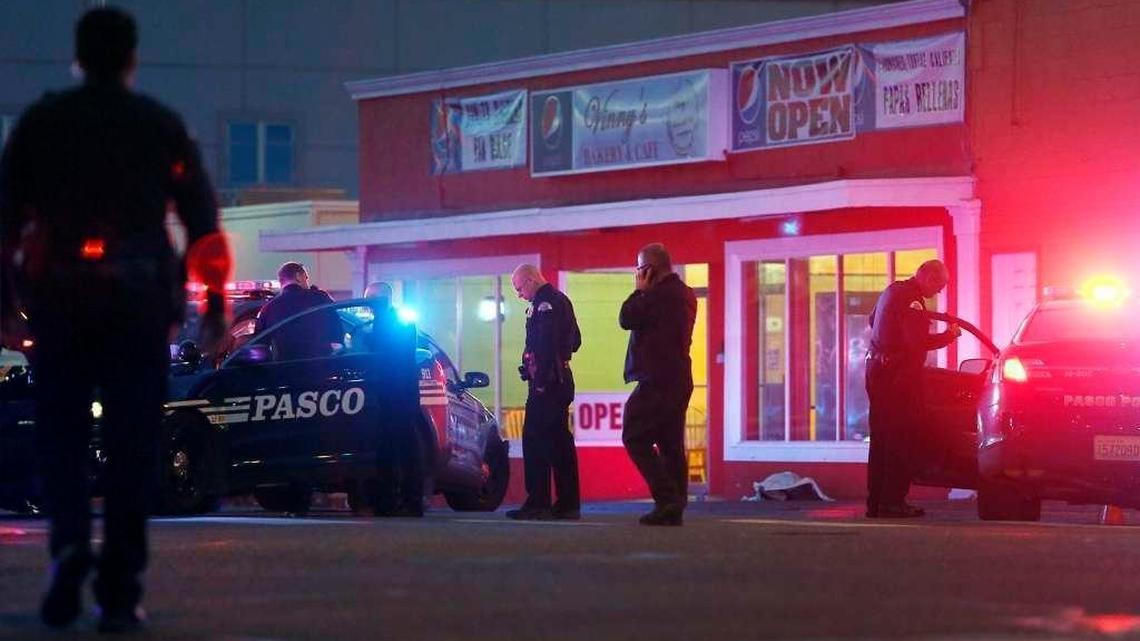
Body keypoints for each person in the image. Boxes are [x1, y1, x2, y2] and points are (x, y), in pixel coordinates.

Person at [0, 7, 230, 633]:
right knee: (133, 447)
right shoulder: (157, 127)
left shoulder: (43, 125)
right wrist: (212, 306)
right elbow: (204, 224)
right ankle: (120, 588)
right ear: (132, 59)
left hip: (61, 303)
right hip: (137, 307)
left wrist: (7, 306)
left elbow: (4, 220)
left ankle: (69, 549)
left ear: (78, 57)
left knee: (62, 439)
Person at [865, 259, 960, 518]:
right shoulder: (913, 301)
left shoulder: (891, 291)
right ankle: (893, 502)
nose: (939, 291)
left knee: (881, 441)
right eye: (939, 285)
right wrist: (948, 337)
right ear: (928, 278)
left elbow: (872, 320)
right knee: (900, 440)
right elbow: (916, 343)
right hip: (897, 379)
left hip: (876, 373)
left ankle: (875, 503)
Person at [619, 243, 696, 526]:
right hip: (678, 378)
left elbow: (626, 318)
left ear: (649, 270)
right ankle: (674, 506)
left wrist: (640, 289)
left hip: (657, 378)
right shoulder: (685, 293)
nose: (638, 274)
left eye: (640, 269)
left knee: (634, 436)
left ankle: (667, 499)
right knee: (670, 442)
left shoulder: (656, 296)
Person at [507, 264, 582, 520]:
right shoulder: (562, 300)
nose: (519, 295)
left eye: (519, 288)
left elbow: (545, 344)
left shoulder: (544, 304)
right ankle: (568, 503)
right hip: (561, 379)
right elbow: (576, 341)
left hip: (548, 382)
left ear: (530, 280)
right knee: (559, 441)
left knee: (534, 439)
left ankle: (538, 502)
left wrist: (539, 379)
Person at [363, 281, 424, 517]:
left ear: (381, 299)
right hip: (401, 394)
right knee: (403, 448)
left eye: (371, 300)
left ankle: (395, 501)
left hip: (394, 394)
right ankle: (407, 500)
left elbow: (382, 354)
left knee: (393, 449)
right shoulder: (399, 322)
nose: (368, 304)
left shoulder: (387, 324)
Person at [253, 261, 341, 361]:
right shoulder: (320, 298)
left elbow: (259, 346)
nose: (307, 283)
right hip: (320, 367)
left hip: (286, 370)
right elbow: (337, 328)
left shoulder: (269, 308)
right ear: (298, 276)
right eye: (306, 278)